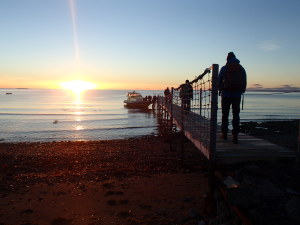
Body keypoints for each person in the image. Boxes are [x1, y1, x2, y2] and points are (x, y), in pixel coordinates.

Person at [219, 52, 247, 144]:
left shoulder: (224, 68)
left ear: (227, 58)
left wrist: (220, 89)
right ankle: (235, 136)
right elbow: (244, 80)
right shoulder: (241, 68)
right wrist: (242, 90)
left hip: (226, 94)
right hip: (237, 95)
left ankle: (224, 134)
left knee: (225, 114)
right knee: (236, 115)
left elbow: (219, 80)